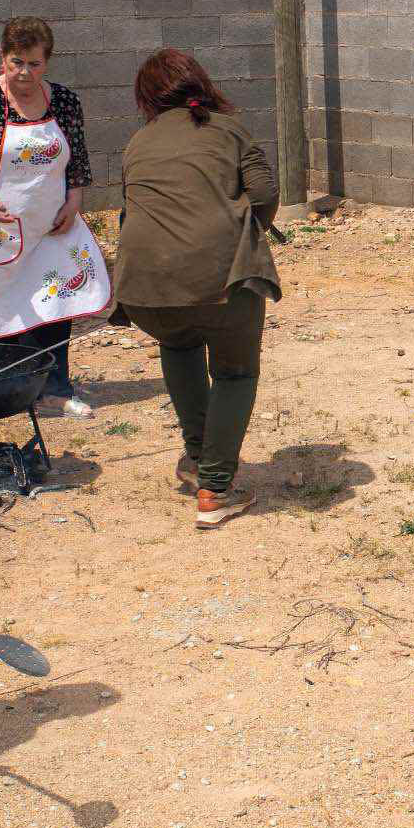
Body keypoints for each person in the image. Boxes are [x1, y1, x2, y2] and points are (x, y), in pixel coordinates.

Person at [112, 50, 279, 529]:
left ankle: (196, 457)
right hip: (218, 283)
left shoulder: (137, 141)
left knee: (179, 342)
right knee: (235, 373)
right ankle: (215, 487)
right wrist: (246, 230)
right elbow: (266, 195)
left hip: (143, 291)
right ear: (200, 85)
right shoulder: (230, 130)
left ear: (147, 99)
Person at [0, 16, 110, 416]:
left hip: (51, 225)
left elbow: (77, 161)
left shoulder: (64, 102)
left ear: (46, 62)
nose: (24, 72)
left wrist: (74, 202)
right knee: (1, 303)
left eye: (33, 64)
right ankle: (3, 395)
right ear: (2, 58)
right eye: (16, 62)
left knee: (55, 302)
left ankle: (55, 389)